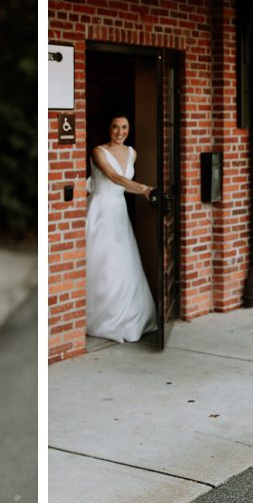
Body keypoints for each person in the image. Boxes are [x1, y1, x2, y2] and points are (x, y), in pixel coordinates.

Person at [85, 115, 158, 343]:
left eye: (124, 127)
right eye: (115, 127)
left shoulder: (132, 152)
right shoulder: (98, 151)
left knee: (123, 261)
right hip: (100, 211)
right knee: (103, 263)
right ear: (109, 129)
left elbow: (124, 186)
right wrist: (145, 189)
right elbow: (115, 177)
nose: (119, 132)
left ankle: (130, 316)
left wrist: (141, 190)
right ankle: (103, 318)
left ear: (129, 129)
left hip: (118, 210)